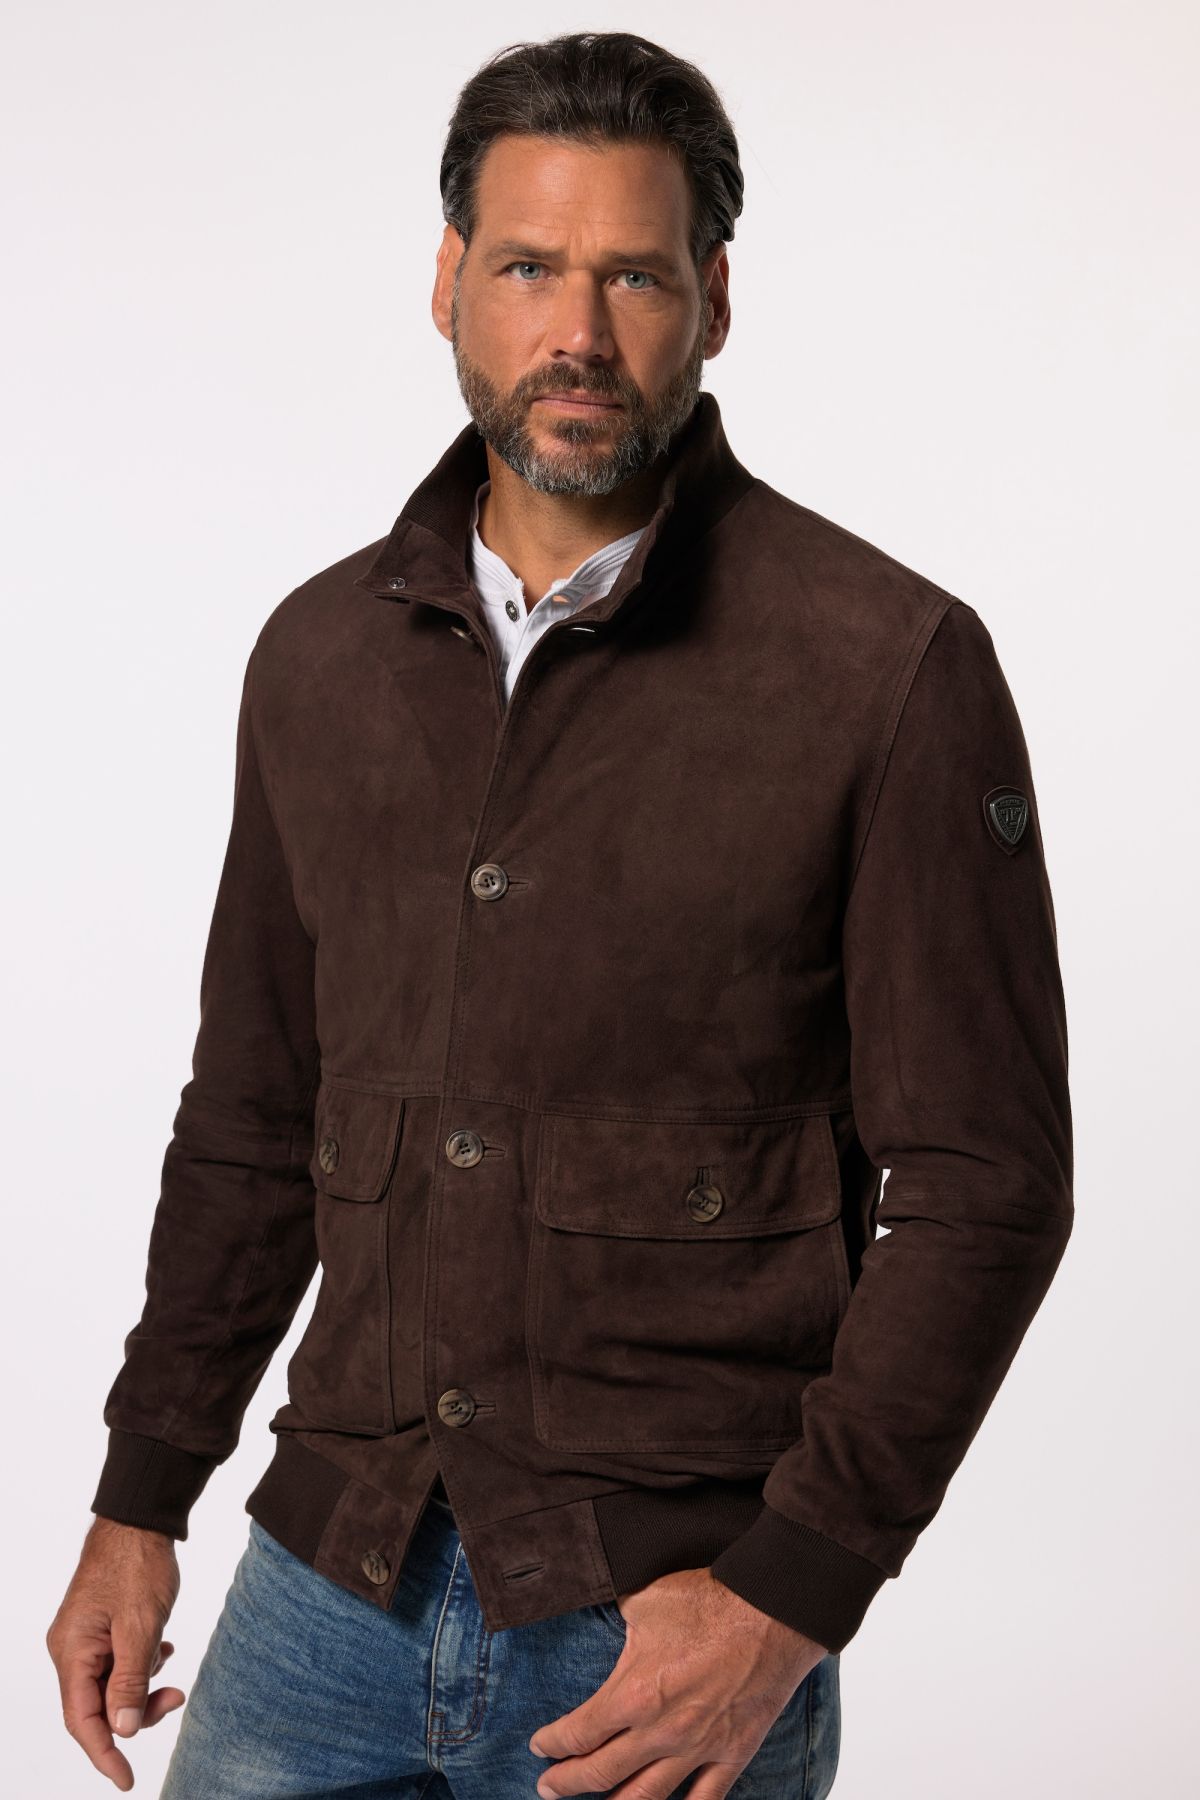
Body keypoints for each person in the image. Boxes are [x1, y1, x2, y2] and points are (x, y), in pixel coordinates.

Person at [46, 28, 1073, 1800]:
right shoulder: (321, 655)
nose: (577, 332)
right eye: (528, 267)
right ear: (450, 281)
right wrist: (141, 1498)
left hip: (665, 1625)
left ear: (715, 300)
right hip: (324, 1587)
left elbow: (988, 1183)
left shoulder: (887, 665)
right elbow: (252, 1121)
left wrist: (792, 1597)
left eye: (634, 277)